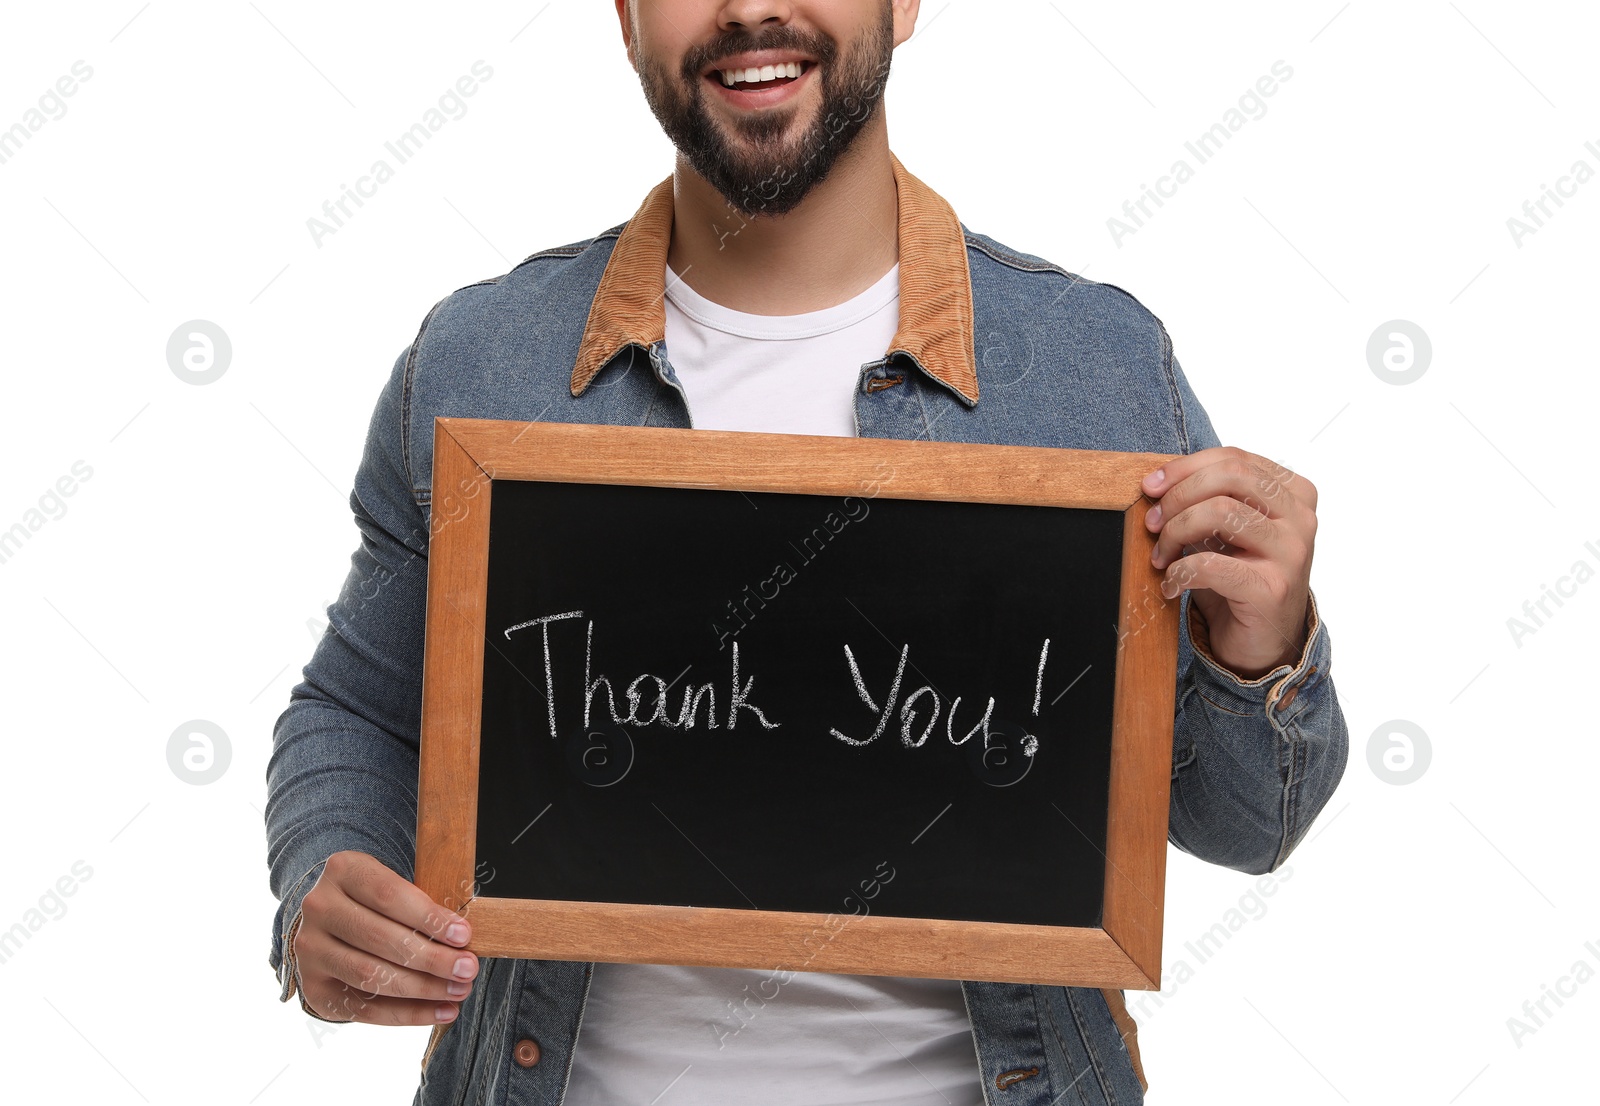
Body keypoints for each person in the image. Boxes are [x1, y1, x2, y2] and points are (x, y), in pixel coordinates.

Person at [264, 1, 1349, 1103]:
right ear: (628, 18)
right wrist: (325, 870)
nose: (748, 9)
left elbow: (1243, 826)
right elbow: (359, 707)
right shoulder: (483, 363)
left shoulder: (1095, 368)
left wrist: (1260, 653)